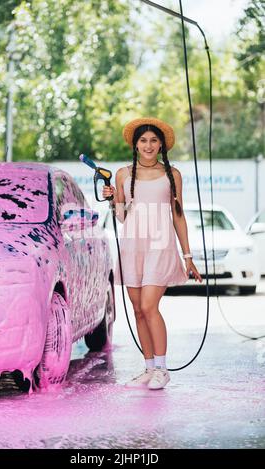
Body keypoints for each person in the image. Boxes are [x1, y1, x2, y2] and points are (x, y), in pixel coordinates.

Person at [102, 117, 202, 390]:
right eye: (143, 140)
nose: (148, 145)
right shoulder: (123, 174)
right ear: (135, 144)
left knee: (149, 306)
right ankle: (148, 369)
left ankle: (162, 369)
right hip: (133, 244)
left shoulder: (173, 174)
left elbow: (178, 216)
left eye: (153, 141)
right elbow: (122, 217)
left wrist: (188, 256)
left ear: (161, 145)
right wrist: (113, 199)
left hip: (160, 245)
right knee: (137, 309)